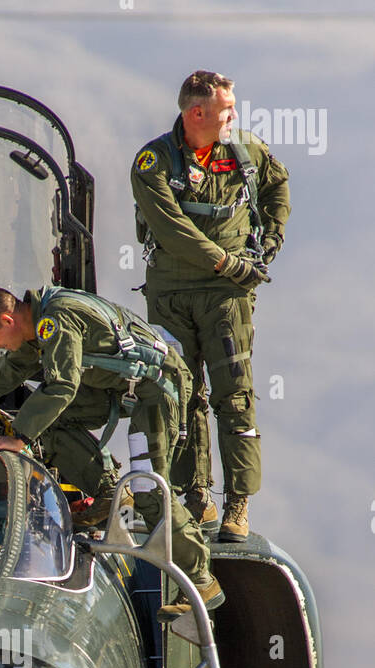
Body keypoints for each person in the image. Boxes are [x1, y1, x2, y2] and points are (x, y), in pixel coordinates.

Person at [0, 283, 224, 621]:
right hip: (118, 386)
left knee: (148, 490)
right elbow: (10, 370)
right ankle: (109, 493)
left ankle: (201, 579)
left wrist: (18, 438)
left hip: (157, 391)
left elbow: (62, 386)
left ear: (8, 320)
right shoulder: (37, 324)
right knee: (47, 419)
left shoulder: (56, 320)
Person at [131, 70, 290, 541]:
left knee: (234, 394)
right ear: (196, 113)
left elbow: (277, 185)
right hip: (173, 294)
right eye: (226, 109)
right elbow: (171, 228)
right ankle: (196, 496)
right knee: (180, 394)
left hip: (227, 297)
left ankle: (237, 504)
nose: (234, 116)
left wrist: (271, 239)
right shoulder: (153, 161)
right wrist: (227, 262)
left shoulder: (245, 150)